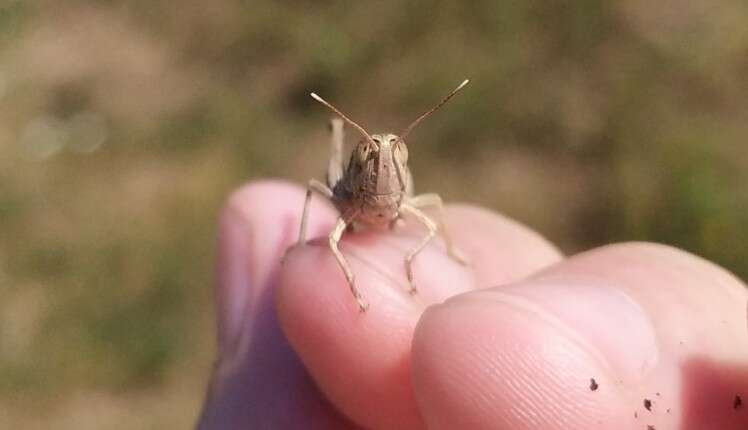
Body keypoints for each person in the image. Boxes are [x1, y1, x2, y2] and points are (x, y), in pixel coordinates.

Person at [196, 181, 748, 430]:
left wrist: (430, 258)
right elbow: (327, 209)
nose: (386, 165)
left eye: (396, 157)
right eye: (376, 157)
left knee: (441, 235)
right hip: (349, 218)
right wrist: (316, 257)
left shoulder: (414, 201)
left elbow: (427, 221)